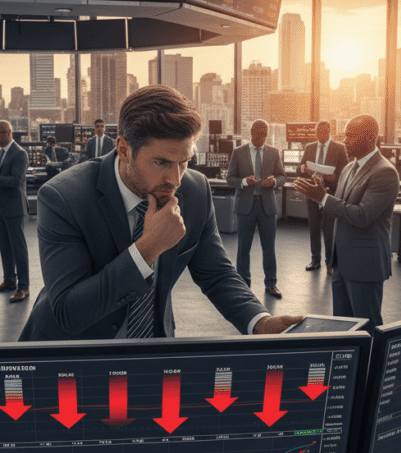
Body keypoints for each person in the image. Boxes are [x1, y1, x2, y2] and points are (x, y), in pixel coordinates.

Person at [19, 86, 304, 342]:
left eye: (184, 162)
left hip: (151, 349)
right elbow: (70, 312)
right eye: (161, 162)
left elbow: (216, 273)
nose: (176, 178)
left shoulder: (194, 189)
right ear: (124, 149)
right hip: (69, 355)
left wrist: (260, 321)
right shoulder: (63, 197)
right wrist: (149, 248)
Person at [293, 115, 399, 327]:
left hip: (364, 264)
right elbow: (341, 207)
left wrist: (322, 197)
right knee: (342, 327)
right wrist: (322, 194)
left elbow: (362, 216)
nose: (345, 141)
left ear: (370, 138)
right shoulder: (349, 168)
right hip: (341, 263)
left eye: (350, 137)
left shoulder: (385, 172)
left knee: (366, 327)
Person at [226, 119, 286, 298]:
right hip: (246, 206)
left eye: (265, 135)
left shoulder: (274, 152)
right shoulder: (238, 152)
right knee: (243, 247)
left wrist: (273, 182)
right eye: (259, 135)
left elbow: (282, 176)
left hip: (267, 205)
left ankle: (271, 283)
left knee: (269, 248)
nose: (262, 138)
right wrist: (245, 181)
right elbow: (230, 179)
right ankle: (244, 284)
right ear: (251, 133)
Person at [0, 120, 30, 302]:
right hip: (1, 207)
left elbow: (15, 181)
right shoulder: (0, 154)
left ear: (8, 133)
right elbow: (1, 177)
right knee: (5, 247)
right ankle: (9, 280)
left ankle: (24, 286)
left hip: (15, 207)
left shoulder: (20, 154)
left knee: (19, 248)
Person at [300, 121, 348, 274]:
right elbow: (299, 168)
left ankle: (330, 263)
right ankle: (315, 260)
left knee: (328, 229)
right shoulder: (309, 147)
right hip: (312, 193)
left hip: (329, 194)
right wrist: (304, 168)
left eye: (322, 133)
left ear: (328, 132)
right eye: (317, 133)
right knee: (314, 228)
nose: (319, 136)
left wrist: (334, 177)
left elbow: (345, 173)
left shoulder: (339, 148)